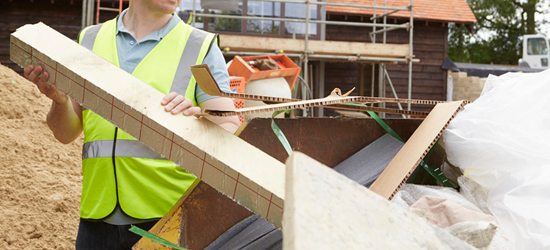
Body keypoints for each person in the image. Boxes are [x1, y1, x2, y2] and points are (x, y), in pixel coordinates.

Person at [23, 0, 240, 249]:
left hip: (168, 218)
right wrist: (59, 100)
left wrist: (196, 121)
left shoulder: (199, 47)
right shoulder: (90, 39)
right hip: (97, 218)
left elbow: (229, 128)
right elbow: (64, 133)